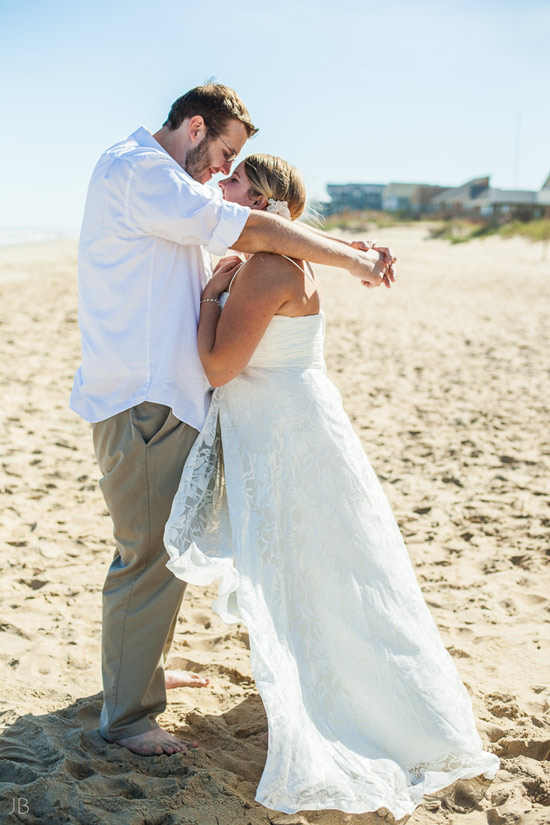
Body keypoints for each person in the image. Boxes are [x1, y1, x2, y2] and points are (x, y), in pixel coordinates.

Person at [163, 153, 500, 819]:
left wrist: (207, 296)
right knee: (329, 566)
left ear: (270, 205)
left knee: (310, 570)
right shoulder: (281, 260)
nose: (225, 191)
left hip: (287, 439)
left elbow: (221, 365)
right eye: (230, 182)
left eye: (237, 186)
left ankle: (349, 704)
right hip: (299, 427)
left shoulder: (265, 267)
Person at [70, 83, 393, 758]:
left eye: (235, 163)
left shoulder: (158, 177)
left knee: (160, 548)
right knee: (149, 555)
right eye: (223, 152)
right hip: (146, 400)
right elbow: (255, 227)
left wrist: (331, 241)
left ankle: (142, 675)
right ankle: (128, 715)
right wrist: (355, 258)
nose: (223, 171)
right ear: (193, 127)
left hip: (158, 397)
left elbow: (259, 227)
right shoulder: (142, 173)